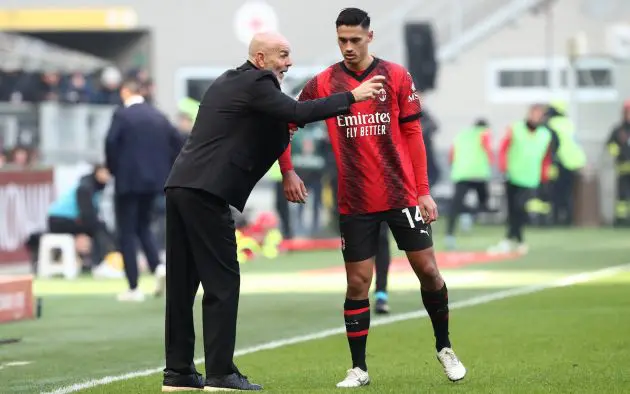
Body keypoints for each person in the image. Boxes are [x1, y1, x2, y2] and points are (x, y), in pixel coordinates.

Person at [161, 31, 386, 392]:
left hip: (180, 187)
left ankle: (179, 375)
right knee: (223, 283)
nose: (289, 62)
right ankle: (220, 373)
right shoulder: (257, 81)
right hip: (206, 193)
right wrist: (351, 97)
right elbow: (296, 112)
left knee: (183, 285)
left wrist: (287, 168)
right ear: (262, 59)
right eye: (282, 55)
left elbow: (280, 122)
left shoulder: (231, 81)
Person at [279, 8, 466, 388]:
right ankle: (359, 369)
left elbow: (413, 135)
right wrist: (287, 170)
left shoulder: (396, 75)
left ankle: (444, 347)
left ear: (370, 37)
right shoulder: (324, 82)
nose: (348, 47)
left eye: (355, 40)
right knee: (357, 283)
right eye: (342, 40)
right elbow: (287, 122)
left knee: (428, 271)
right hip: (355, 200)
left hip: (401, 195)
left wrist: (423, 192)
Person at [105, 78, 182, 302]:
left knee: (127, 231)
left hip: (128, 181)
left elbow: (111, 143)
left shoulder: (122, 115)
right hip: (155, 182)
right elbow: (177, 143)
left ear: (125, 92)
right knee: (144, 226)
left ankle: (133, 286)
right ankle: (157, 267)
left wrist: (114, 169)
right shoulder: (158, 116)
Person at [488, 104, 558, 254]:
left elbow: (546, 157)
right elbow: (504, 148)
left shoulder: (545, 134)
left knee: (520, 208)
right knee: (513, 210)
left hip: (530, 178)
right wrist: (503, 166)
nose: (536, 117)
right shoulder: (516, 128)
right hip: (513, 175)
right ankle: (519, 241)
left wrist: (544, 175)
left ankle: (509, 240)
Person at [45, 164, 120, 277]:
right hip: (60, 220)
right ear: (98, 172)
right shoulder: (86, 187)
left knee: (99, 227)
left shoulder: (93, 186)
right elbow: (87, 214)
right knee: (98, 229)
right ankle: (99, 263)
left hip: (64, 218)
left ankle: (96, 261)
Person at [445, 119, 494, 250]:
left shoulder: (461, 135)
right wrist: (490, 163)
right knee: (484, 204)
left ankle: (449, 235)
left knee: (455, 205)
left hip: (461, 174)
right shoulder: (484, 133)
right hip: (478, 174)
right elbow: (488, 151)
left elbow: (451, 155)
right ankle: (469, 215)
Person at [606, 99, 630, 226]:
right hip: (623, 169)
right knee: (622, 197)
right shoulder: (618, 130)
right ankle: (622, 220)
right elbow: (610, 145)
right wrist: (618, 154)